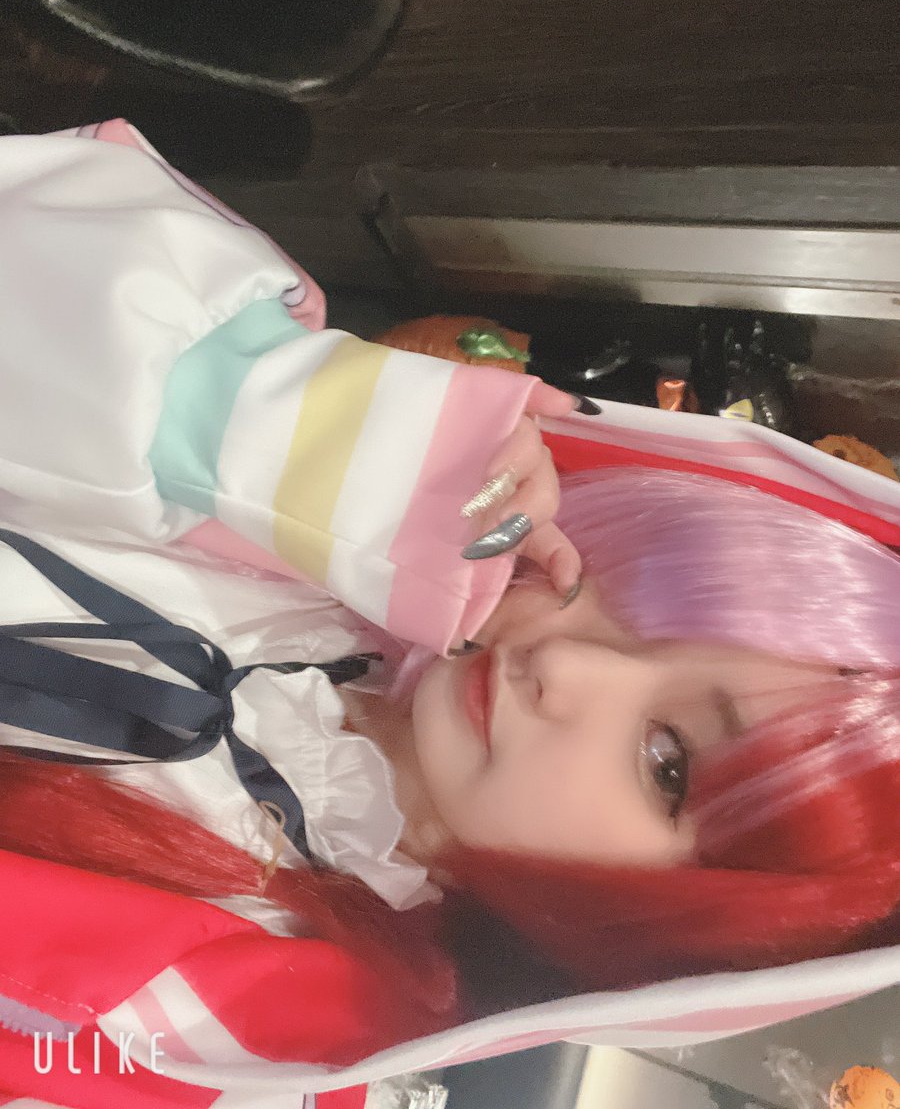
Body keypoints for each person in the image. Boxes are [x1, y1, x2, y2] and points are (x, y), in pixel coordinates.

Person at [0, 121, 896, 1104]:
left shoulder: (276, 1050)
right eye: (629, 595)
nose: (566, 665)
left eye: (666, 762)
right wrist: (266, 417)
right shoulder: (322, 552)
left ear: (670, 927)